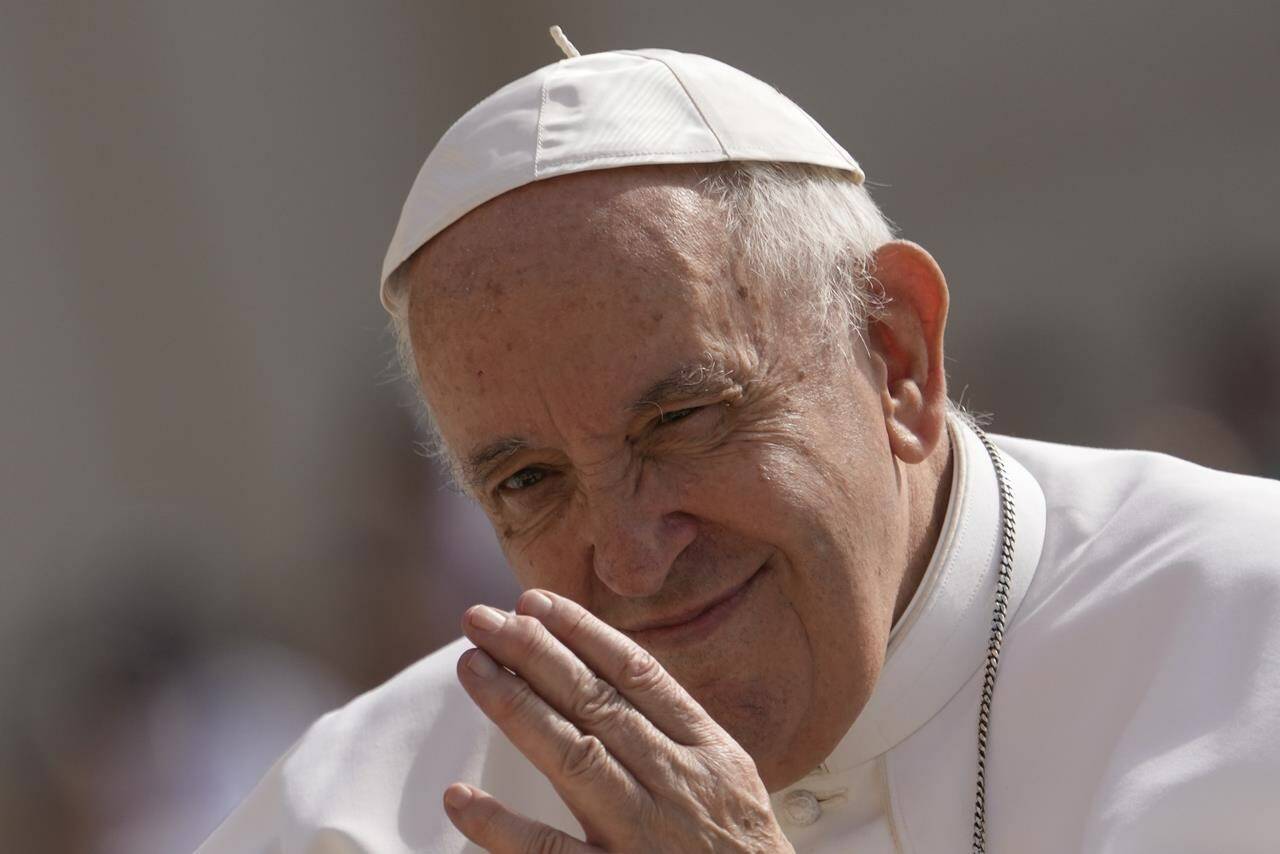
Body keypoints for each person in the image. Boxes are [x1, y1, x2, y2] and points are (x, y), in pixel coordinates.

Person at [199, 30, 1280, 854]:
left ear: (893, 355)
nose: (628, 553)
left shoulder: (1245, 639)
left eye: (678, 420)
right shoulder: (351, 812)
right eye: (529, 480)